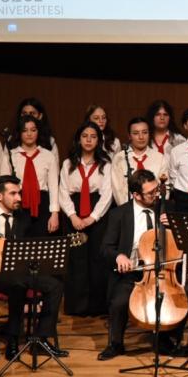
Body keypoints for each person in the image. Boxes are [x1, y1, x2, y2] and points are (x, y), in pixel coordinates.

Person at [0, 175, 67, 360]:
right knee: (17, 284)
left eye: (19, 193)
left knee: (55, 285)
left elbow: (28, 247)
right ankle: (13, 340)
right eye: (13, 193)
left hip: (15, 271)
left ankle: (40, 340)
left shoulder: (23, 217)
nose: (19, 198)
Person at [97, 169, 188, 360]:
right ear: (136, 195)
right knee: (119, 301)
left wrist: (175, 225)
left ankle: (166, 340)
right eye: (150, 193)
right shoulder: (119, 214)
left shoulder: (168, 207)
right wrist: (119, 257)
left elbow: (184, 243)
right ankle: (116, 343)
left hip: (165, 271)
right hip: (132, 273)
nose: (156, 195)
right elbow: (105, 248)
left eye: (157, 190)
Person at [59, 122, 113, 315]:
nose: (89, 140)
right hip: (72, 213)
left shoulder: (106, 165)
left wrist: (92, 217)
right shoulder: (68, 164)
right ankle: (77, 306)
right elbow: (63, 192)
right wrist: (73, 216)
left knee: (97, 260)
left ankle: (97, 306)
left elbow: (107, 194)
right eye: (85, 136)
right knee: (76, 260)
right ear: (78, 139)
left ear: (99, 140)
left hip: (97, 214)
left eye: (93, 136)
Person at [4, 115, 60, 236]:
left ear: (38, 132)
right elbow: (4, 185)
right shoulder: (11, 155)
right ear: (19, 133)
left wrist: (54, 214)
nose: (29, 134)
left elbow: (54, 187)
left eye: (33, 130)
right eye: (25, 130)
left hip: (42, 204)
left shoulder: (48, 155)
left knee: (42, 247)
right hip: (18, 203)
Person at [111, 117, 168, 206]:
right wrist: (129, 210)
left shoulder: (159, 158)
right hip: (127, 210)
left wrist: (154, 206)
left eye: (145, 132)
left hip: (154, 208)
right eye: (136, 133)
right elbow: (117, 190)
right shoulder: (119, 158)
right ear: (129, 136)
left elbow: (164, 188)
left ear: (149, 134)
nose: (141, 137)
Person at [13, 97, 60, 165]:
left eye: (32, 114)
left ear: (40, 116)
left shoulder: (49, 141)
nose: (28, 117)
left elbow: (55, 170)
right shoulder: (11, 141)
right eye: (24, 114)